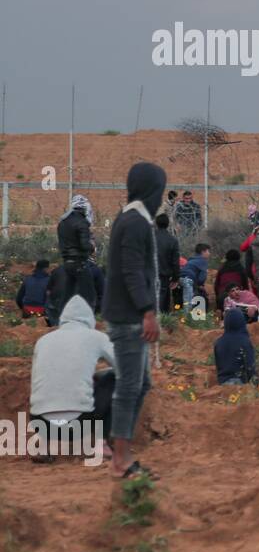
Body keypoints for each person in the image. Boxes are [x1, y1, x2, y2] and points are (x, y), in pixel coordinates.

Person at [103, 161, 166, 479]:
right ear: (151, 191)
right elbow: (131, 270)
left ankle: (121, 453)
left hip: (130, 316)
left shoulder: (134, 220)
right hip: (129, 318)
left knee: (140, 384)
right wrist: (147, 311)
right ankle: (120, 461)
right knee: (129, 387)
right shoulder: (134, 223)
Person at [28, 296, 115, 463]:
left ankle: (44, 448)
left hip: (40, 423)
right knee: (114, 379)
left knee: (44, 385)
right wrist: (101, 375)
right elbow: (124, 368)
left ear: (63, 319)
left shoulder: (43, 341)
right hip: (79, 425)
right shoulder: (96, 337)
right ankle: (101, 444)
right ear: (89, 319)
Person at [54, 193, 97, 318]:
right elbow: (84, 245)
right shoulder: (82, 222)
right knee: (88, 294)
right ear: (84, 208)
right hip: (80, 262)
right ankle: (88, 320)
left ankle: (61, 319)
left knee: (68, 293)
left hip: (67, 262)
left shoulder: (63, 222)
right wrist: (92, 247)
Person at [213, 308, 257, 386]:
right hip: (240, 384)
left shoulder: (218, 342)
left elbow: (218, 366)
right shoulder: (244, 341)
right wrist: (255, 383)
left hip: (223, 384)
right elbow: (250, 366)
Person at [154, 213, 181, 315]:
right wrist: (175, 278)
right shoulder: (172, 240)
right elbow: (175, 262)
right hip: (164, 275)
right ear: (168, 224)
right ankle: (162, 320)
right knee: (163, 297)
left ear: (156, 224)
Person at [178, 243, 211, 315]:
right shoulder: (203, 261)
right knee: (188, 301)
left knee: (184, 298)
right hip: (188, 280)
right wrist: (200, 285)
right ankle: (187, 319)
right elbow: (202, 278)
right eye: (208, 251)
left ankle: (179, 314)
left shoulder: (192, 260)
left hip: (179, 278)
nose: (209, 253)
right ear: (203, 252)